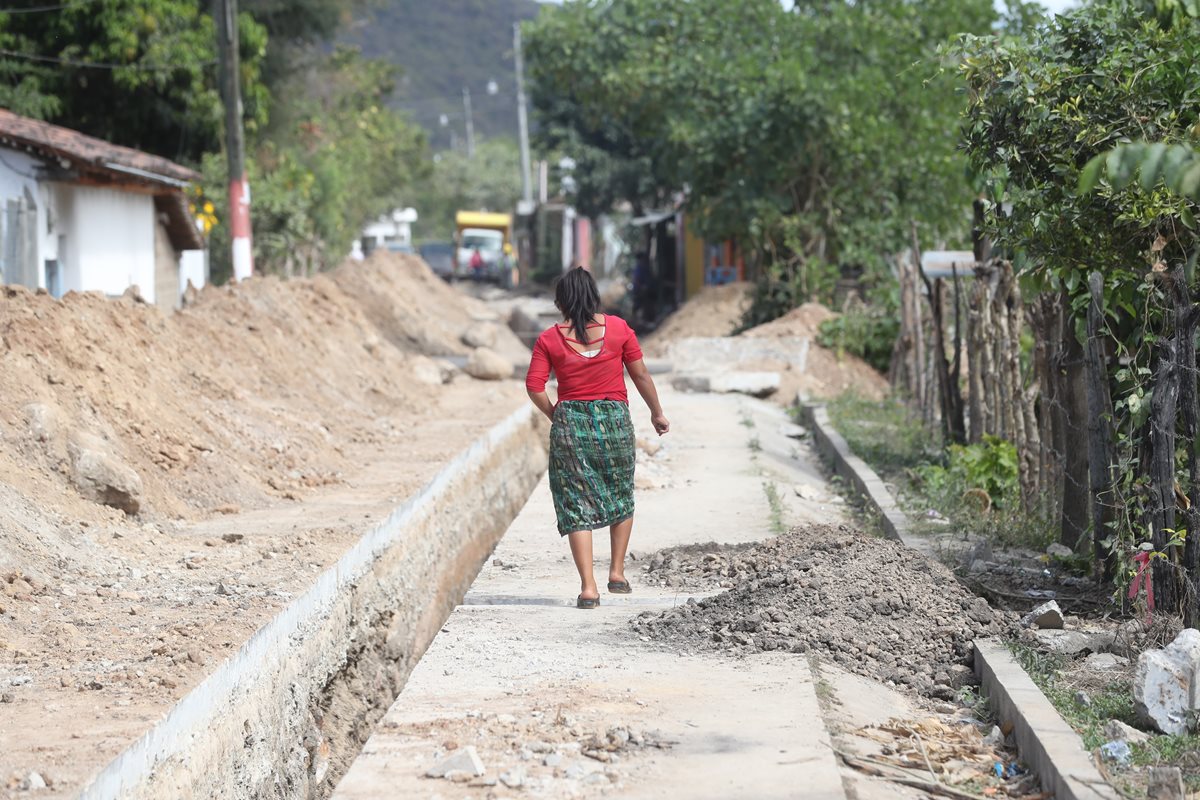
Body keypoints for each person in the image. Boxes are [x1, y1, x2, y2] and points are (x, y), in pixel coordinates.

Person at [525, 267, 670, 609]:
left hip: (571, 422)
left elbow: (534, 387)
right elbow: (640, 374)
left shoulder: (548, 339)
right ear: (594, 297)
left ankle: (588, 588)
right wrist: (657, 412)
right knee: (619, 491)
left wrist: (556, 414)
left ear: (560, 301)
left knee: (577, 503)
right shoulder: (620, 329)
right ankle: (617, 573)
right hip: (614, 421)